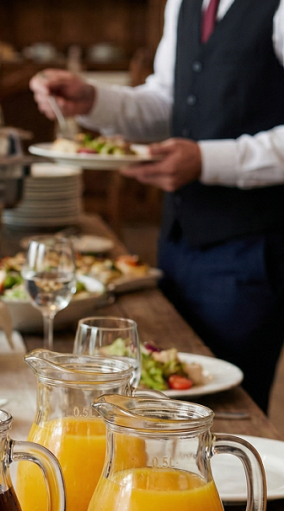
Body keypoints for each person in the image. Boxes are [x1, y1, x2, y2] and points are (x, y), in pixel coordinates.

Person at [30, 0, 284, 415]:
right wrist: (93, 100)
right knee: (164, 402)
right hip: (178, 239)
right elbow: (169, 101)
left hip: (251, 245)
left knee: (229, 413)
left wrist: (207, 160)